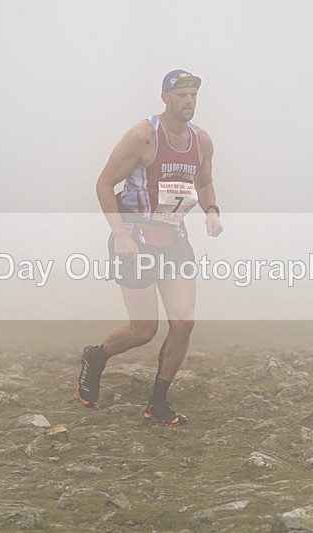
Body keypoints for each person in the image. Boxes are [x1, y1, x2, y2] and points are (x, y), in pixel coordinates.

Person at [77, 70, 223, 425]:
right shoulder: (143, 137)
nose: (188, 101)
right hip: (134, 240)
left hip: (174, 239)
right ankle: (96, 357)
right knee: (143, 331)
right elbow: (103, 184)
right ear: (165, 98)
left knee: (184, 322)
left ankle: (157, 402)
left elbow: (204, 182)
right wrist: (121, 234)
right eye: (181, 95)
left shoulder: (201, 141)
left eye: (193, 95)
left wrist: (212, 212)